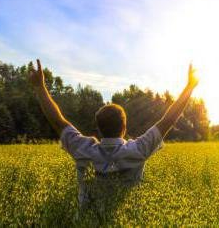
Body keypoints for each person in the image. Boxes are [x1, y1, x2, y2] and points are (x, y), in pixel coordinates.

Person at [28, 59, 199, 200]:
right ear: (124, 128)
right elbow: (168, 120)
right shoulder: (138, 150)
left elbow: (58, 122)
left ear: (99, 130)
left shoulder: (83, 149)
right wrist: (189, 87)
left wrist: (40, 87)